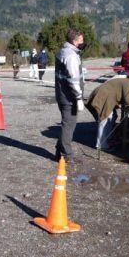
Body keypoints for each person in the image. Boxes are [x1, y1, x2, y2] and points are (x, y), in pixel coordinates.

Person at [86, 74, 129, 151]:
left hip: (104, 94)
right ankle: (102, 144)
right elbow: (128, 100)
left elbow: (119, 94)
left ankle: (106, 141)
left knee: (112, 117)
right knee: (105, 119)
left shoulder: (125, 80)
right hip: (104, 96)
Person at [54, 29, 85, 163]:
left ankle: (59, 150)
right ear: (74, 41)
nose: (83, 43)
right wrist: (78, 97)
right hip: (69, 96)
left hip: (62, 94)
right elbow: (73, 79)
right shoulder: (71, 55)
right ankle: (67, 155)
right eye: (81, 41)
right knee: (69, 125)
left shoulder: (63, 51)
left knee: (67, 124)